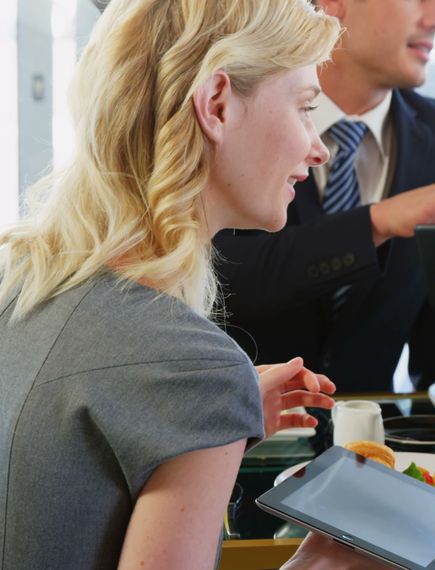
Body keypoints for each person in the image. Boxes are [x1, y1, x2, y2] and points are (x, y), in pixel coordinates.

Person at [0, 1, 383, 567]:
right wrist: (327, 563)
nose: (318, 146)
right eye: (305, 108)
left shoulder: (19, 280)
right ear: (218, 105)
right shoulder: (193, 366)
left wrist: (213, 411)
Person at [212, 0, 435, 394]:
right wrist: (377, 223)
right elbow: (217, 280)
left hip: (377, 448)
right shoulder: (232, 112)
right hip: (238, 440)